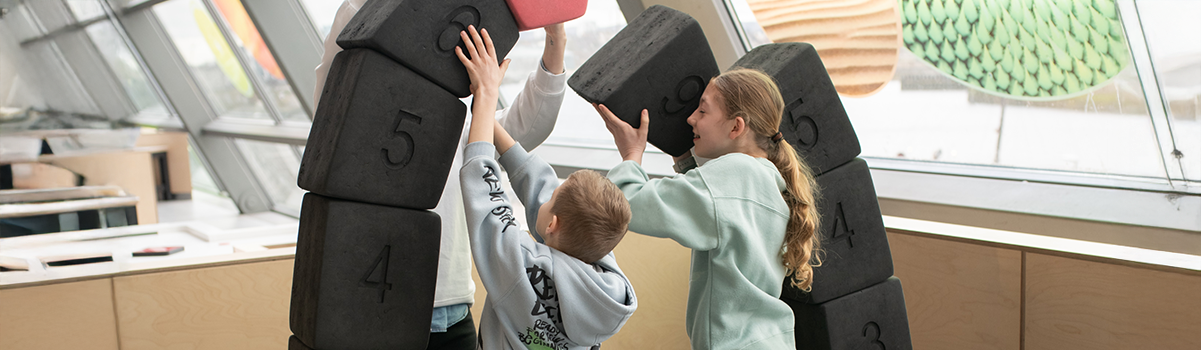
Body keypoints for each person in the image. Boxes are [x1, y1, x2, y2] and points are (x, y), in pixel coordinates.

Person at [312, 2, 569, 348]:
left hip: (453, 309)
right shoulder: (361, 119)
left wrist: (555, 36)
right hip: (378, 307)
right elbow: (334, 85)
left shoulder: (461, 125)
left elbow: (531, 122)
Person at [595, 68, 822, 349]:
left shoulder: (736, 175)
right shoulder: (766, 179)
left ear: (736, 127)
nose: (691, 118)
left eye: (702, 111)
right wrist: (685, 162)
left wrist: (631, 154)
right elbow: (718, 212)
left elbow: (628, 204)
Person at [456, 25, 637, 350]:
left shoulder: (521, 269)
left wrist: (486, 94)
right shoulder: (606, 278)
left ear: (552, 224)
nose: (546, 192)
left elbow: (485, 200)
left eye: (553, 197)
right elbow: (539, 184)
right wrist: (488, 120)